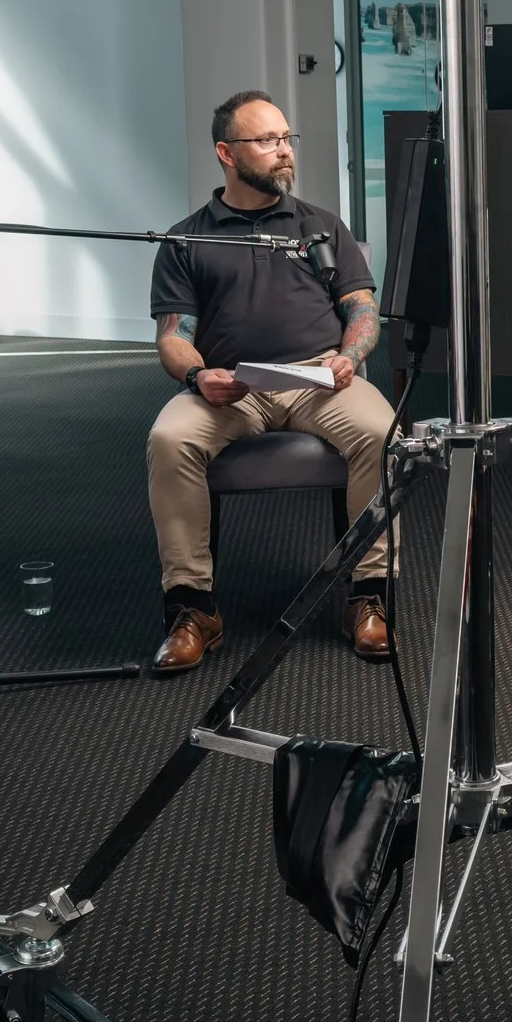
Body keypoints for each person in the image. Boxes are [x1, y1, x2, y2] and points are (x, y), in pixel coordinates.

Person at [146, 90, 395, 672]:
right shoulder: (188, 238)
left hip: (317, 376)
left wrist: (349, 357)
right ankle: (192, 609)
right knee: (169, 438)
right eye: (267, 140)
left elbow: (362, 310)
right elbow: (173, 335)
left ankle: (370, 597)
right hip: (233, 386)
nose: (284, 151)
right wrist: (198, 373)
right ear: (226, 153)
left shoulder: (320, 225)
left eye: (286, 138)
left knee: (384, 433)